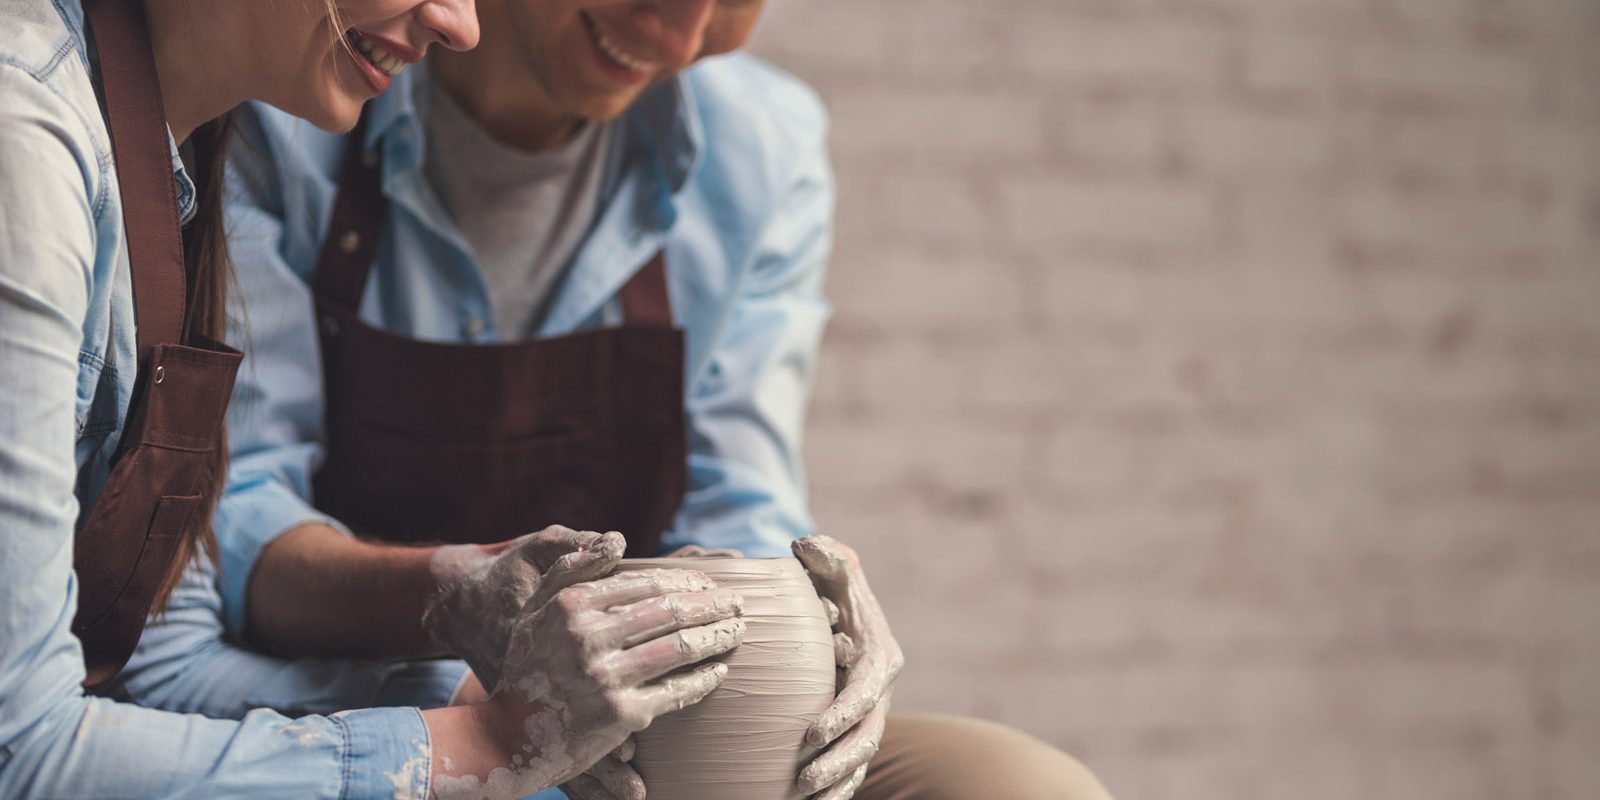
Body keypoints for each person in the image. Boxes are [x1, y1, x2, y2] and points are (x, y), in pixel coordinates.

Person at [121, 0, 1116, 798]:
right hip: (347, 695)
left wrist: (817, 624)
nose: (682, 37)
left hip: (636, 723)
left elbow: (736, 509)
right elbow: (227, 524)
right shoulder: (294, 96)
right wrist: (456, 608)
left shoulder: (760, 146)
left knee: (1023, 785)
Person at [0, 0, 752, 797]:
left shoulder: (175, 141)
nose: (462, 24)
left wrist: (493, 707)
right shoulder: (27, 145)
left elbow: (158, 662)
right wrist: (488, 741)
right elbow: (20, 749)